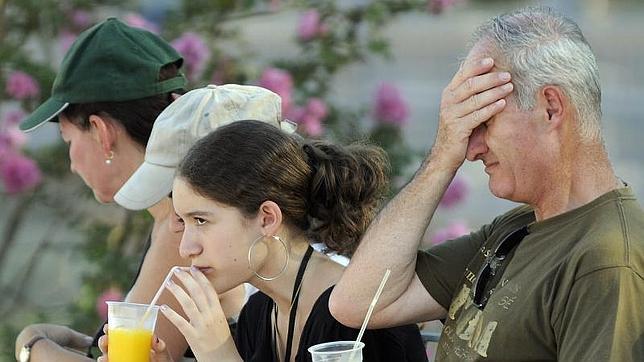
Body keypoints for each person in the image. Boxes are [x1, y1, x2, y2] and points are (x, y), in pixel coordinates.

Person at [329, 6, 644, 362]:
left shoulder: (607, 259)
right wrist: (441, 158)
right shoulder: (519, 227)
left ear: (551, 108)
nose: (471, 149)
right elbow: (356, 304)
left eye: (484, 120)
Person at [14, 18, 246, 362]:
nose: (73, 163)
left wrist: (33, 345)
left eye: (68, 140)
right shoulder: (180, 219)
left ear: (102, 132)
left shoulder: (182, 232)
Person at [98, 120, 428, 361]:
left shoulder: (355, 312)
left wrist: (218, 353)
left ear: (267, 219)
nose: (187, 248)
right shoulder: (260, 314)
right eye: (184, 223)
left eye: (201, 220)